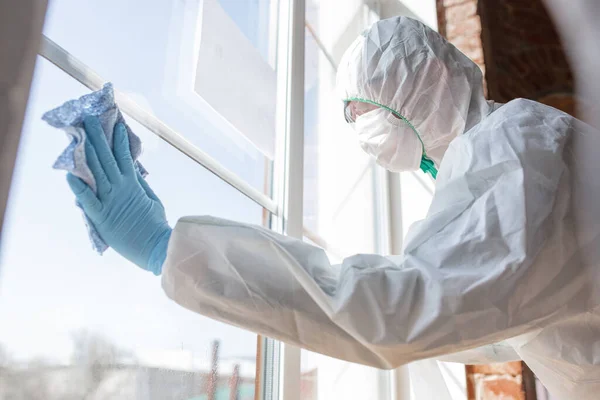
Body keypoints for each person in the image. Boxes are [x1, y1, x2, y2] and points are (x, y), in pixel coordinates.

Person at [66, 17, 600, 399]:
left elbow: (404, 309)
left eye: (364, 111)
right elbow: (498, 317)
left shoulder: (516, 157)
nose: (358, 131)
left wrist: (173, 250)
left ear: (428, 84)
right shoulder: (505, 151)